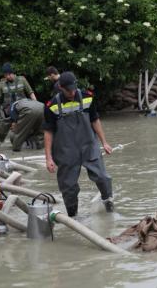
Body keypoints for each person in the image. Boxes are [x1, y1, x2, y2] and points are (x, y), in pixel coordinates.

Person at [43, 72, 114, 217]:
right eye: (68, 90)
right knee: (68, 187)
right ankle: (73, 216)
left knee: (103, 177)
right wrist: (48, 158)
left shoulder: (88, 97)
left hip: (89, 146)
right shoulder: (52, 105)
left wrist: (104, 142)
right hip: (66, 151)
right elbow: (48, 132)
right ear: (60, 88)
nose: (72, 92)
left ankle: (108, 203)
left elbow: (95, 120)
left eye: (74, 88)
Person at [0, 62, 37, 143]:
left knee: (29, 123)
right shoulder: (2, 83)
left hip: (22, 108)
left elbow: (30, 92)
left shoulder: (22, 79)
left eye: (8, 74)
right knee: (0, 127)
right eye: (5, 75)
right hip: (8, 109)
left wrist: (35, 103)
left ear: (12, 73)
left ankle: (30, 139)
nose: (7, 76)